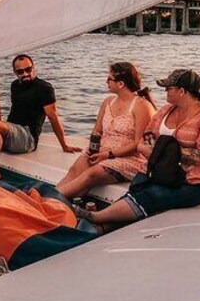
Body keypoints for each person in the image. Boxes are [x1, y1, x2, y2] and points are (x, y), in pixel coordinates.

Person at [78, 69, 200, 232]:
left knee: (157, 193)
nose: (165, 91)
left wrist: (163, 154)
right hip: (166, 170)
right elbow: (145, 140)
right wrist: (161, 155)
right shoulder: (165, 111)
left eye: (168, 88)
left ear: (181, 91)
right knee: (139, 183)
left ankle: (98, 218)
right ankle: (112, 224)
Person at [57, 62, 156, 200]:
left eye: (110, 78)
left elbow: (137, 145)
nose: (106, 81)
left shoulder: (142, 106)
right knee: (74, 171)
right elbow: (97, 130)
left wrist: (107, 155)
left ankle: (50, 201)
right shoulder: (108, 101)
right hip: (102, 151)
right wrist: (93, 150)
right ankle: (47, 200)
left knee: (90, 175)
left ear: (121, 84)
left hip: (129, 158)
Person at [0, 54, 80, 181]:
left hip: (28, 137)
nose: (25, 74)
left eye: (28, 70)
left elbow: (53, 117)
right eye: (20, 71)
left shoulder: (44, 88)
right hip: (12, 130)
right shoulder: (15, 86)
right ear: (15, 72)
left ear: (34, 68)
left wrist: (64, 145)